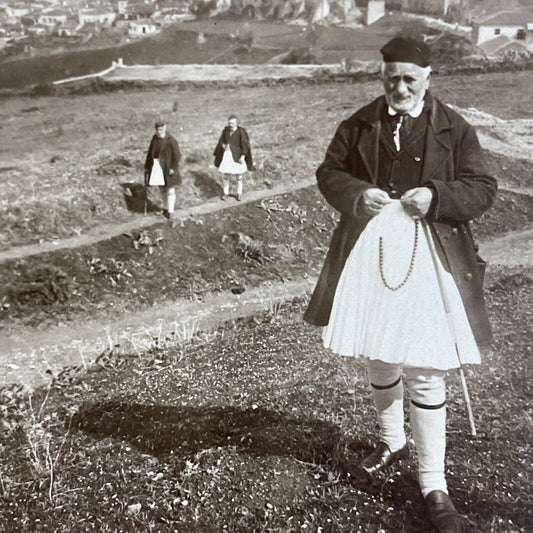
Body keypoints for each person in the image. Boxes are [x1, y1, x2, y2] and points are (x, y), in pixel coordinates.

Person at [304, 36, 497, 533]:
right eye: (393, 77)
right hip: (369, 253)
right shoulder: (360, 123)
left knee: (427, 367)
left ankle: (435, 484)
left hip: (433, 256)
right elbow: (329, 173)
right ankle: (392, 441)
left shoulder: (454, 128)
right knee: (379, 352)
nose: (401, 86)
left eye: (411, 78)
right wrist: (356, 193)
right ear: (382, 76)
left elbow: (483, 187)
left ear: (428, 78)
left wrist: (436, 196)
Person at [144, 119, 181, 219]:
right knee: (162, 189)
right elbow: (149, 154)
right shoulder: (154, 139)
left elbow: (177, 156)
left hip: (168, 168)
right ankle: (165, 208)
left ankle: (171, 211)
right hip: (157, 166)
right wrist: (147, 167)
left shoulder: (171, 140)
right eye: (157, 130)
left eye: (160, 129)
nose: (158, 132)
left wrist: (173, 167)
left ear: (165, 128)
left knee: (170, 189)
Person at [213, 115, 253, 201]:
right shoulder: (226, 131)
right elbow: (221, 141)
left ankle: (239, 193)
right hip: (227, 156)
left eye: (233, 123)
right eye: (229, 123)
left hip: (237, 156)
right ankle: (225, 193)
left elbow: (245, 145)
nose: (231, 125)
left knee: (239, 175)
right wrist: (223, 146)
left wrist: (243, 156)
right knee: (226, 175)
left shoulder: (241, 131)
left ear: (236, 123)